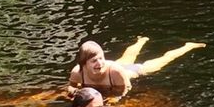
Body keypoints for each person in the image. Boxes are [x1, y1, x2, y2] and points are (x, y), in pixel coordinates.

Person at [67, 36, 205, 100]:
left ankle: (187, 46)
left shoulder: (114, 71)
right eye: (94, 61)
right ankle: (141, 40)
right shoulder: (77, 72)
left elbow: (126, 89)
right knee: (127, 56)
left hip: (132, 71)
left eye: (101, 58)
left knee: (163, 60)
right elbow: (71, 87)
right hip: (119, 67)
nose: (100, 63)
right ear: (84, 64)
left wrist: (114, 99)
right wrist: (74, 93)